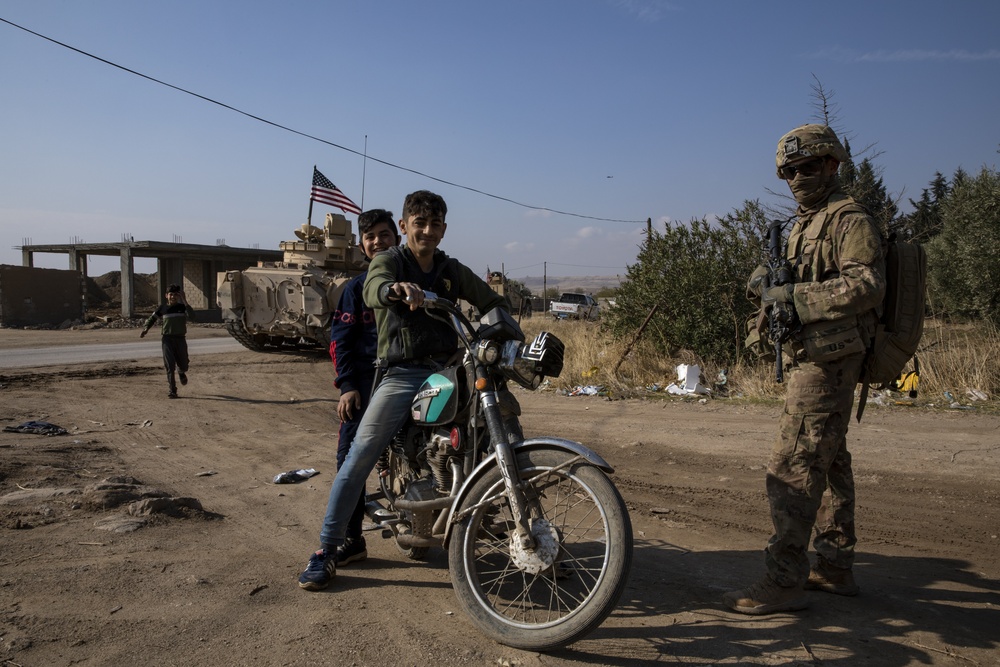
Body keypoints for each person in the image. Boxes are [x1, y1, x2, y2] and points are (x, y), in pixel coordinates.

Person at [298, 190, 508, 591]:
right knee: (358, 455)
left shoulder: (449, 269)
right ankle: (327, 548)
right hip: (403, 373)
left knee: (494, 422)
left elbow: (490, 300)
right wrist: (396, 291)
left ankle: (519, 522)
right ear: (405, 227)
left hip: (451, 367)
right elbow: (373, 287)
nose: (427, 231)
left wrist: (504, 326)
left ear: (444, 229)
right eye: (419, 224)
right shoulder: (389, 261)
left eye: (434, 225)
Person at [725, 124, 886, 615]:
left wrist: (795, 297)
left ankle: (784, 578)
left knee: (793, 467)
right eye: (789, 170)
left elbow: (867, 284)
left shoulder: (848, 218)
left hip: (830, 360)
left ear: (832, 164)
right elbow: (792, 277)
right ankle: (834, 566)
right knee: (830, 461)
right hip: (813, 357)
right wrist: (768, 283)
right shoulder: (802, 222)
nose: (797, 176)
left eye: (808, 167)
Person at [324, 208, 400, 568]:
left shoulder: (414, 280)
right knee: (349, 460)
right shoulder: (356, 290)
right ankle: (351, 538)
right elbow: (341, 340)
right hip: (367, 383)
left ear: (396, 238)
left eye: (383, 235)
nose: (377, 241)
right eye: (370, 237)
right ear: (361, 245)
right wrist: (348, 386)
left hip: (413, 377)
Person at [140, 284, 196, 399]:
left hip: (180, 339)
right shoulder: (162, 308)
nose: (173, 297)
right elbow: (152, 319)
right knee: (169, 366)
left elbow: (193, 317)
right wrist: (146, 328)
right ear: (166, 296)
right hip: (167, 340)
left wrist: (185, 301)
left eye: (176, 294)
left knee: (184, 364)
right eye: (171, 294)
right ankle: (172, 391)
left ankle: (181, 372)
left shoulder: (182, 307)